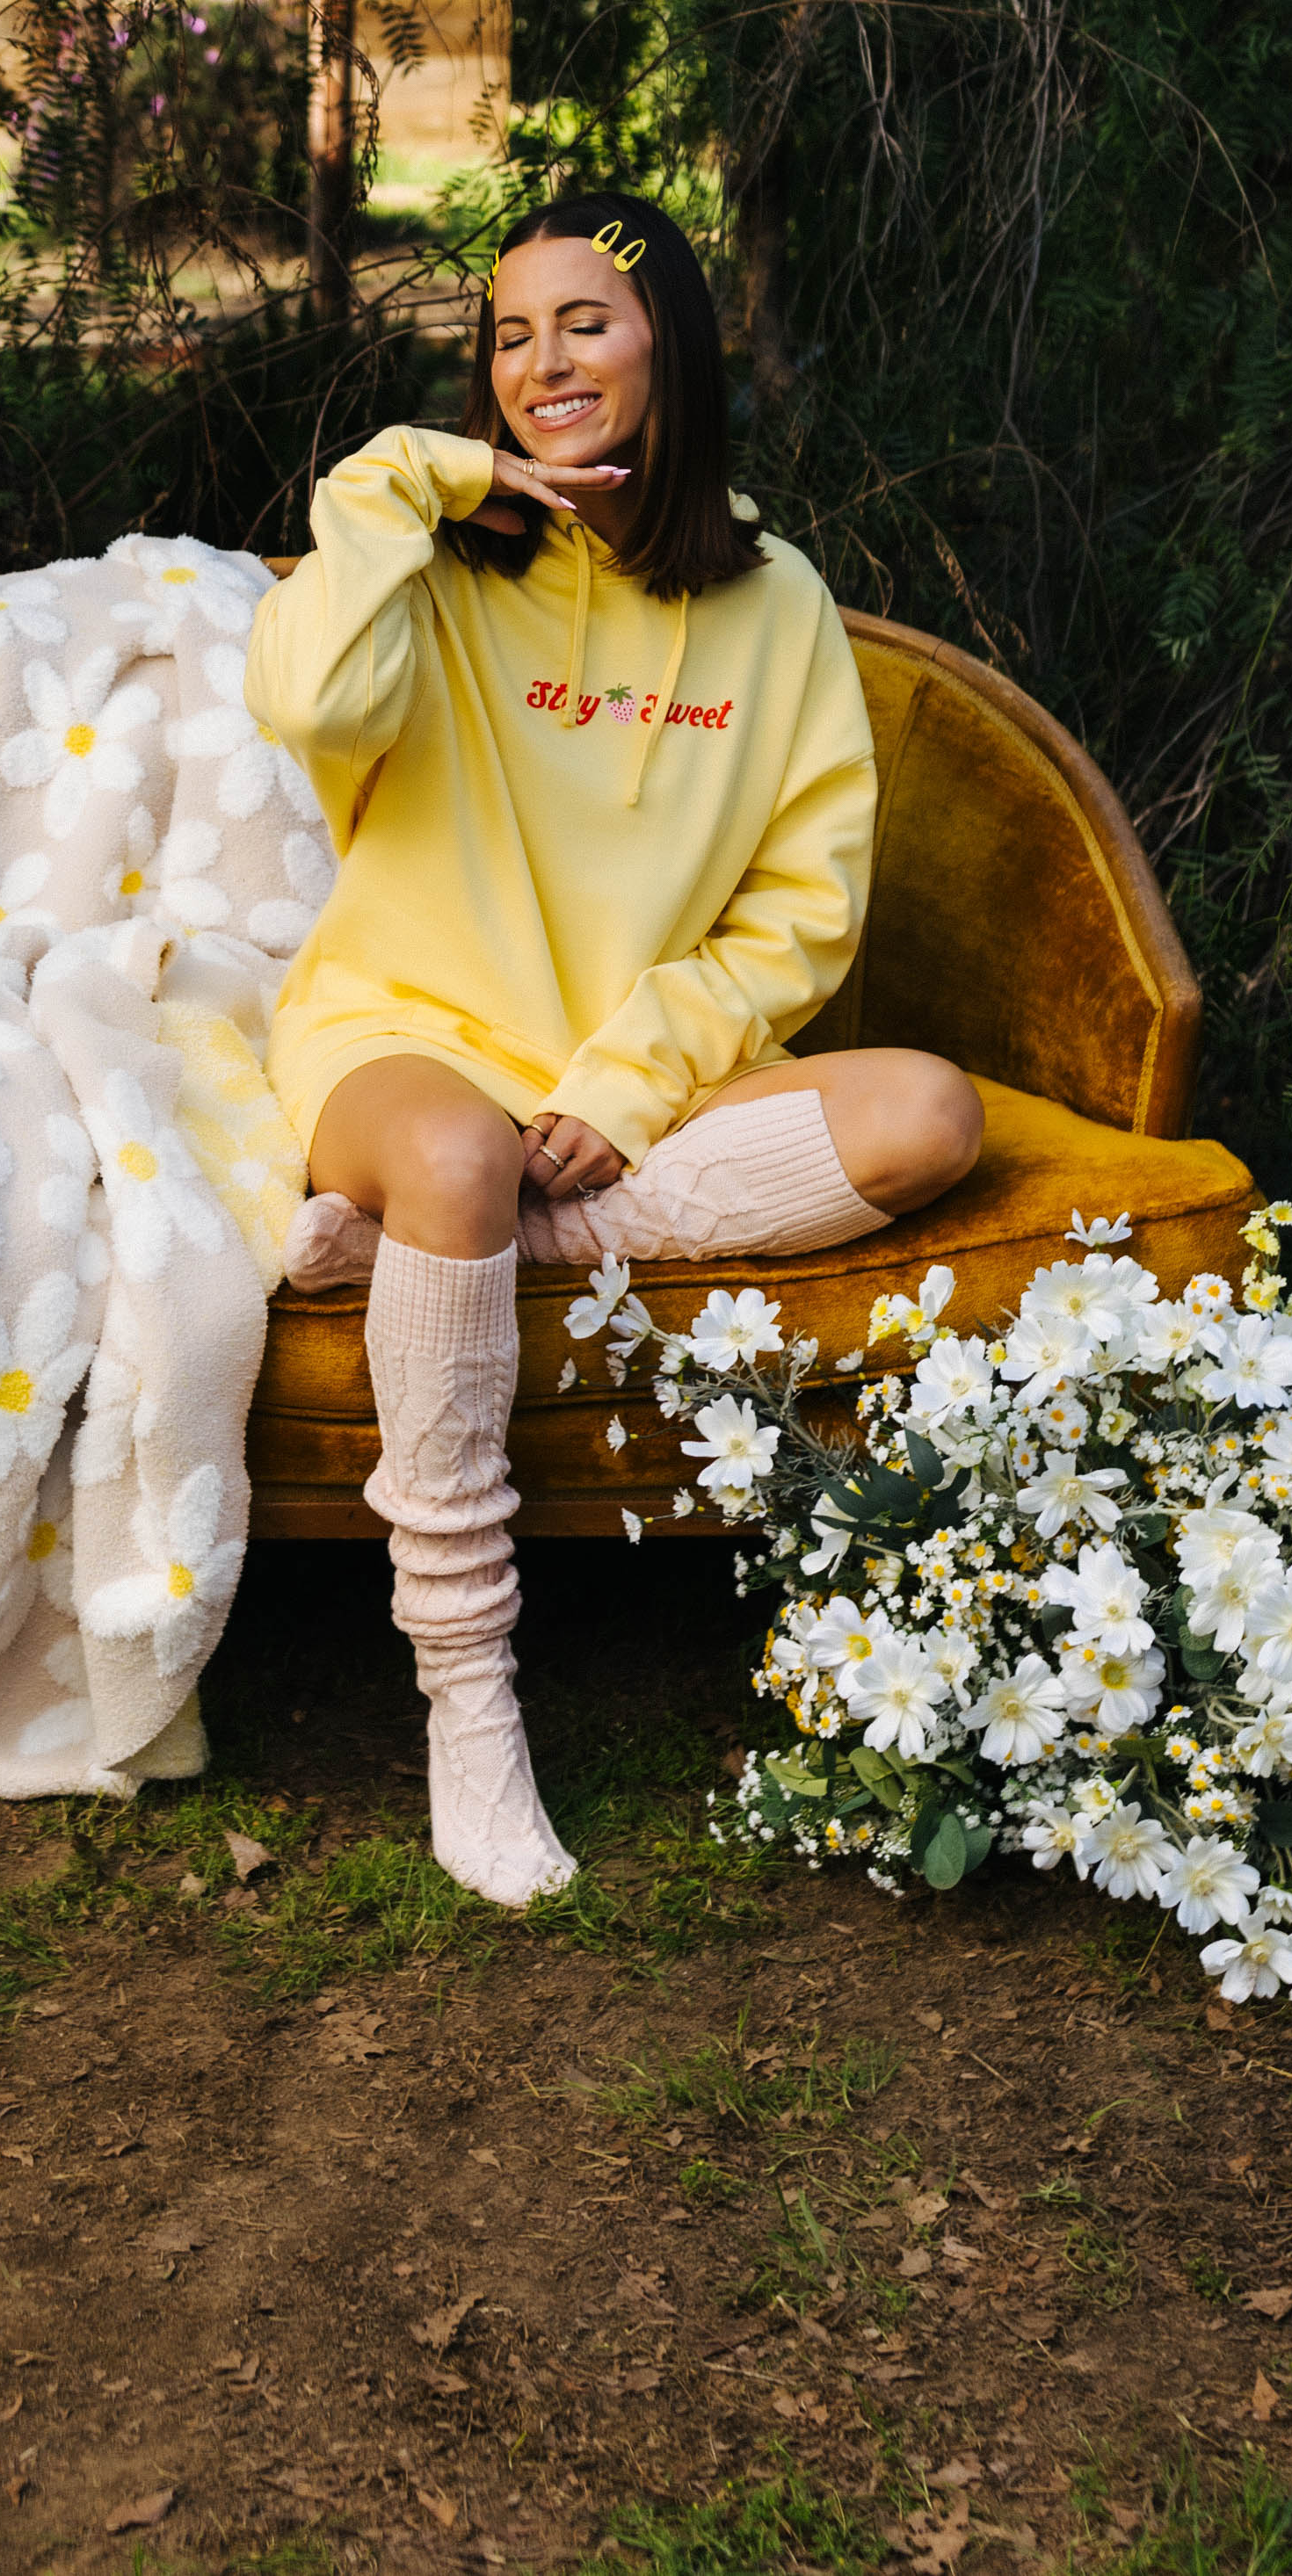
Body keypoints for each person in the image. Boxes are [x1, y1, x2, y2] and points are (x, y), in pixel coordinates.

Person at [244, 184, 981, 1907]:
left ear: (670, 345)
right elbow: (307, 704)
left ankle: (446, 1243)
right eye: (509, 335)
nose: (543, 362)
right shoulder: (429, 563)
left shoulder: (775, 601)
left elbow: (798, 913)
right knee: (451, 1148)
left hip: (623, 1086)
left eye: (586, 321)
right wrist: (401, 479)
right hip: (402, 1040)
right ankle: (467, 1691)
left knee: (930, 1116)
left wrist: (625, 1081)